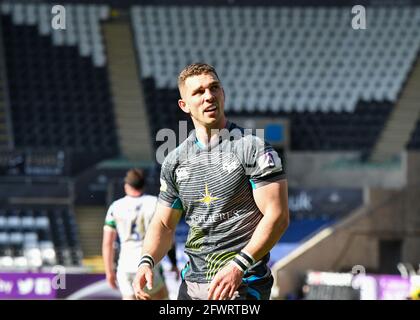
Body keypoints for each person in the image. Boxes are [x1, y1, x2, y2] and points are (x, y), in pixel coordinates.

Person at [133, 63, 289, 300]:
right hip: (192, 284)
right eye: (198, 92)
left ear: (223, 93)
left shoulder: (252, 148)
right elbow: (164, 225)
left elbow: (278, 216)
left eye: (214, 88)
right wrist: (147, 261)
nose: (209, 96)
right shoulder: (174, 160)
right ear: (184, 105)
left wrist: (238, 265)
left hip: (242, 281)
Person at [102, 168, 178, 300]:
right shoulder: (155, 203)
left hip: (125, 266)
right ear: (143, 185)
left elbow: (108, 243)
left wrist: (109, 271)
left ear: (126, 186)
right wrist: (174, 263)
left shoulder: (116, 206)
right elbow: (168, 235)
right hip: (148, 263)